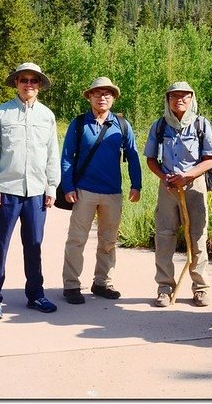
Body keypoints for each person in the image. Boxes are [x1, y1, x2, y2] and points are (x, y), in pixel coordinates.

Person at [0, 62, 60, 320]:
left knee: (34, 245)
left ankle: (35, 295)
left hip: (36, 192)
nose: (28, 84)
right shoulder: (1, 114)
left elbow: (52, 155)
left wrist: (51, 186)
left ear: (39, 86)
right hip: (7, 191)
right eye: (23, 79)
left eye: (33, 80)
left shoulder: (47, 116)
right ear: (16, 83)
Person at [59, 77, 142, 305]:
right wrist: (68, 186)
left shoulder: (122, 125)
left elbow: (133, 155)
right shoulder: (78, 124)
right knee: (77, 240)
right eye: (97, 93)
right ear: (89, 97)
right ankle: (72, 285)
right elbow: (66, 157)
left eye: (107, 93)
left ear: (113, 98)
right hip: (83, 191)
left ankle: (102, 282)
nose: (102, 97)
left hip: (112, 192)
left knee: (108, 241)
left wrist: (136, 184)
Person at [144, 81, 212, 308]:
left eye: (185, 96)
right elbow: (150, 159)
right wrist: (164, 177)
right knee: (164, 237)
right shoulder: (159, 126)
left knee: (197, 237)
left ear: (192, 98)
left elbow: (210, 159)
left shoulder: (200, 124)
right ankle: (165, 288)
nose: (180, 100)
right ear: (168, 99)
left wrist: (188, 176)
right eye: (175, 96)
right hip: (168, 189)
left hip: (194, 188)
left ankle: (201, 288)